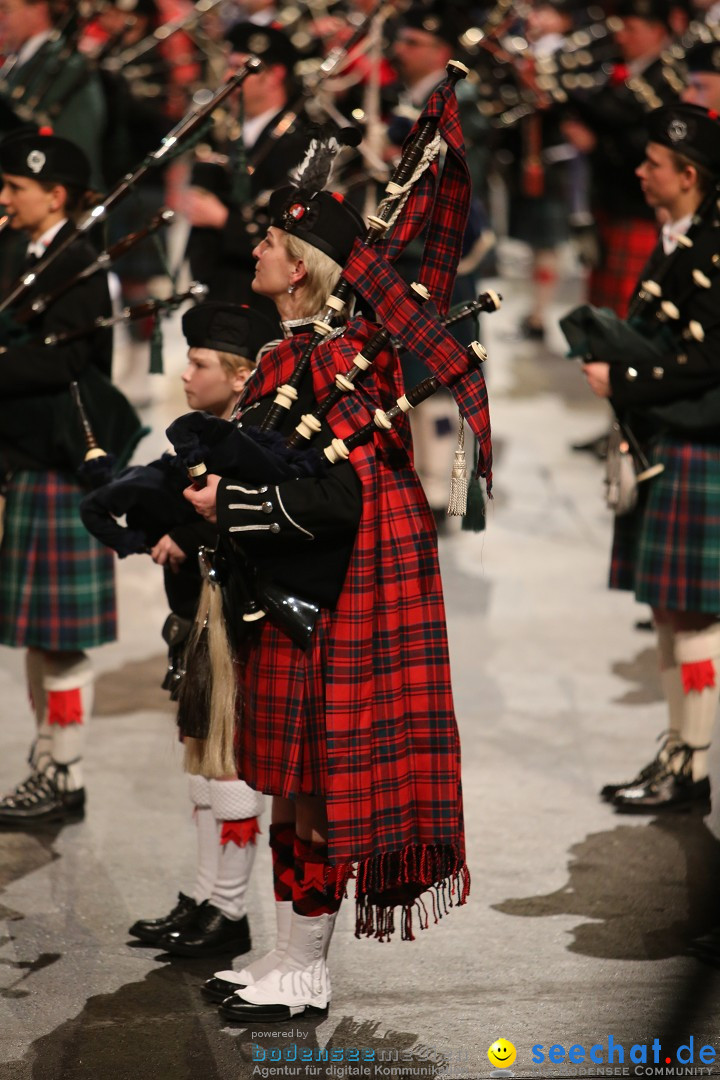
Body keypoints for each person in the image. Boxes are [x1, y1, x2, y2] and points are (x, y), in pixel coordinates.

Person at [182, 179, 471, 1022]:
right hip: (290, 588)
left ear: (303, 268)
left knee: (315, 786)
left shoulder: (347, 361)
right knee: (291, 782)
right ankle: (284, 951)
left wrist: (236, 507)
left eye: (272, 242)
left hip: (336, 595)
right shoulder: (285, 355)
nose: (258, 251)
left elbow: (356, 494)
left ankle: (307, 968)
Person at [580, 103, 720, 812]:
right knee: (670, 610)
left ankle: (694, 764)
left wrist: (626, 379)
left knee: (695, 615)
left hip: (702, 441)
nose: (640, 172)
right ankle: (677, 748)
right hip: (672, 437)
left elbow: (709, 362)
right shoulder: (680, 238)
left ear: (688, 174)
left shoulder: (713, 249)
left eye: (653, 165)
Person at [128, 301, 277, 957]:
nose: (185, 373)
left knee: (228, 760)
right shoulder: (200, 432)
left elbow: (239, 517)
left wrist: (182, 532)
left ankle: (230, 911)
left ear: (242, 376)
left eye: (200, 363)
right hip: (194, 614)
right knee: (199, 755)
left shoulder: (255, 439)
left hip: (232, 617)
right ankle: (206, 898)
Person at [0, 130, 141, 826]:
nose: (2, 198)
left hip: (62, 469)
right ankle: (48, 755)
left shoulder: (77, 263)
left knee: (60, 637)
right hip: (25, 464)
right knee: (35, 634)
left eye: (13, 188)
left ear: (53, 194)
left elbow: (66, 368)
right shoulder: (20, 255)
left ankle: (67, 768)